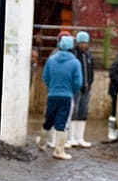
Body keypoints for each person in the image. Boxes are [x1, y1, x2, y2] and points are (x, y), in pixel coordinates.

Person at [39, 32, 82, 161]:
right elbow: (78, 82)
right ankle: (59, 151)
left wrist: (52, 88)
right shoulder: (75, 62)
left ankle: (42, 143)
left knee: (49, 120)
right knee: (62, 123)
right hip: (66, 96)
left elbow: (45, 77)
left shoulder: (51, 60)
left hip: (52, 95)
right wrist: (71, 91)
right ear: (71, 47)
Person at [68, 30, 95, 148]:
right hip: (76, 88)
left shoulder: (88, 55)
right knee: (74, 111)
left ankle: (80, 137)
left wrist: (89, 83)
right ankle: (71, 137)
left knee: (83, 111)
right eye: (82, 42)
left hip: (86, 87)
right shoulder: (73, 54)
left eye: (86, 43)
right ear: (77, 42)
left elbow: (91, 70)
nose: (84, 45)